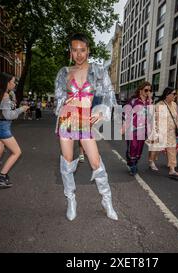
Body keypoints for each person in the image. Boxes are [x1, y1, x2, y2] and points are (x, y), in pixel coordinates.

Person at [54, 33, 118, 221]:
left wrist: (100, 112)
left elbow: (108, 94)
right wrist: (64, 103)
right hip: (67, 118)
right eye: (75, 50)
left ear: (88, 50)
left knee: (95, 162)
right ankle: (71, 200)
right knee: (66, 163)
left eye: (83, 50)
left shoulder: (98, 71)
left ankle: (107, 200)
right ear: (70, 52)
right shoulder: (64, 72)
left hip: (85, 119)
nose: (79, 54)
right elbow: (58, 98)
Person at [0, 73, 29, 189]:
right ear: (7, 83)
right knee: (17, 152)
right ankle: (2, 176)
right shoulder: (5, 96)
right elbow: (9, 115)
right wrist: (22, 109)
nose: (14, 84)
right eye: (13, 82)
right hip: (2, 128)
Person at [147, 87, 178, 177]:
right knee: (156, 149)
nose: (175, 95)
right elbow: (157, 120)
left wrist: (177, 128)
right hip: (161, 131)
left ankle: (172, 169)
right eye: (174, 94)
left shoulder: (174, 104)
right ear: (167, 95)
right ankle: (151, 161)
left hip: (171, 132)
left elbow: (176, 118)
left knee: (171, 149)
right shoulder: (160, 105)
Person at [124, 81, 152, 176]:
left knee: (139, 149)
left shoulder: (149, 102)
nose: (148, 92)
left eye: (149, 90)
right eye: (146, 90)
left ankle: (133, 163)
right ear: (141, 91)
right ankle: (132, 166)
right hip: (133, 129)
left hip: (143, 130)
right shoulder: (133, 101)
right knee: (133, 147)